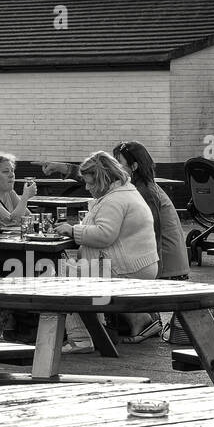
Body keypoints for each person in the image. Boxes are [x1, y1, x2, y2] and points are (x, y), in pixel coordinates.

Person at [54, 150, 158, 353]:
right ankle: (96, 332)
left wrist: (73, 229)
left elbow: (104, 235)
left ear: (102, 180)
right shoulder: (125, 192)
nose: (87, 187)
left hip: (125, 267)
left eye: (90, 183)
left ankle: (82, 338)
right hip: (138, 264)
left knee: (64, 277)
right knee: (78, 271)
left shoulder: (114, 200)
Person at [113, 140, 195, 344]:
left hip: (167, 267)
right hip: (167, 263)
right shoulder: (138, 186)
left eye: (118, 163)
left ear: (134, 167)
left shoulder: (144, 191)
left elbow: (154, 233)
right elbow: (97, 177)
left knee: (103, 269)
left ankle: (142, 320)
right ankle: (144, 318)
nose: (114, 168)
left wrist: (154, 269)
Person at [0, 154, 37, 232]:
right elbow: (12, 223)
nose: (11, 175)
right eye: (6, 172)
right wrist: (25, 197)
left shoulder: (8, 191)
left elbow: (30, 218)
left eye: (12, 171)